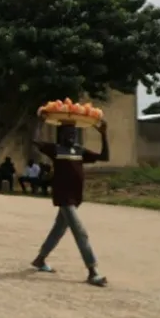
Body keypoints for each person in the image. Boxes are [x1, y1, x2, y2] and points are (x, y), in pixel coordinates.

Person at [30, 120, 110, 287]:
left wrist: (103, 134)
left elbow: (104, 157)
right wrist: (40, 121)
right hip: (64, 198)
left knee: (58, 230)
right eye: (68, 133)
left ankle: (40, 259)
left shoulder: (79, 151)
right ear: (61, 135)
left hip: (76, 197)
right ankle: (92, 271)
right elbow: (35, 140)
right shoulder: (55, 149)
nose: (72, 136)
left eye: (74, 133)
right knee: (80, 233)